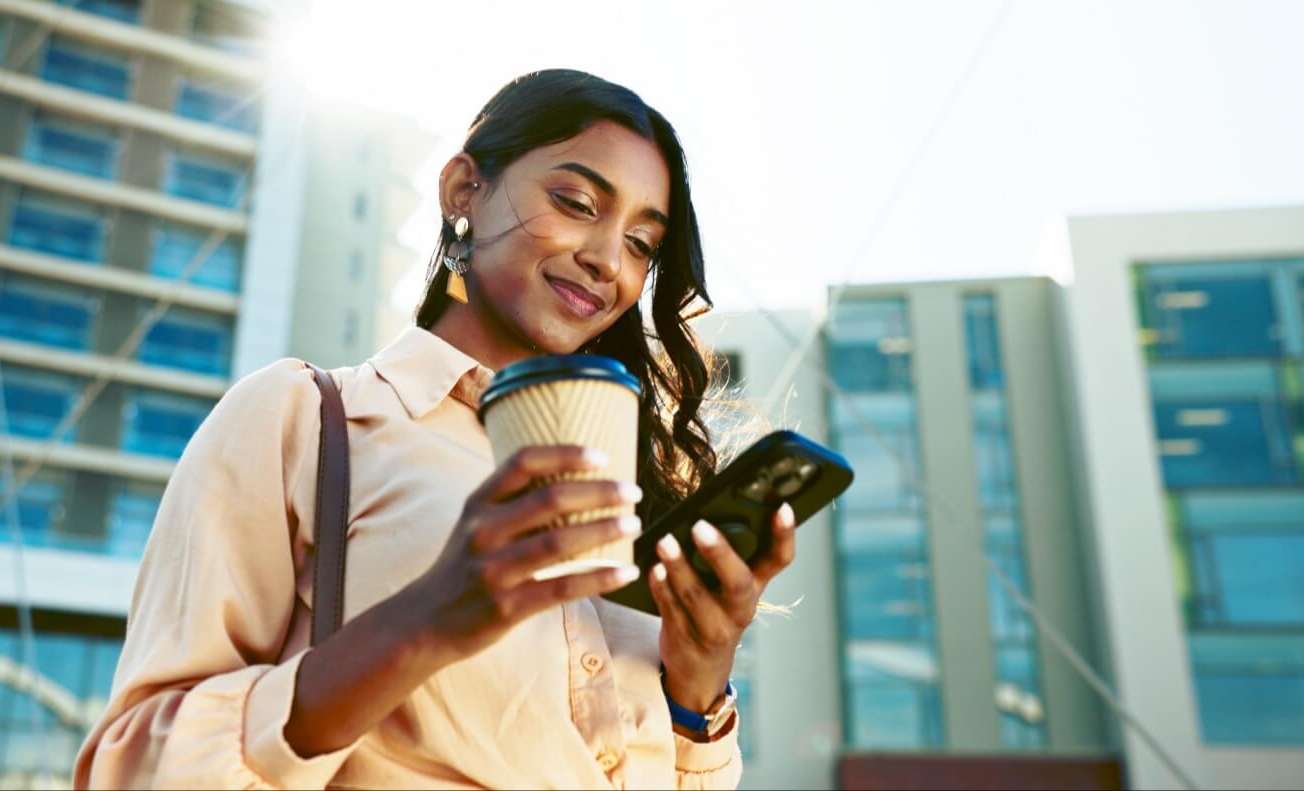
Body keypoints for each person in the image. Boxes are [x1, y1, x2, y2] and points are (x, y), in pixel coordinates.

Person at [73, 68, 797, 790]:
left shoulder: (631, 493)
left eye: (641, 244)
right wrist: (427, 617)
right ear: (463, 191)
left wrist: (699, 685)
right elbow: (133, 774)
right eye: (576, 203)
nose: (609, 260)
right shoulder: (305, 419)